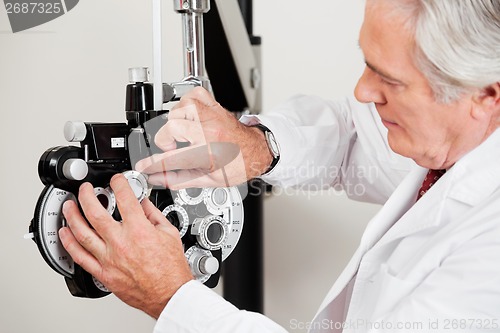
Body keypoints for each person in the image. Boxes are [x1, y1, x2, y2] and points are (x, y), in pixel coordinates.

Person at [59, 0, 500, 332]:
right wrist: (255, 147)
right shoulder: (456, 135)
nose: (363, 91)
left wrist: (173, 299)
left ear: (486, 95)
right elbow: (352, 136)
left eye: (391, 79)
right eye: (367, 63)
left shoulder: (489, 256)